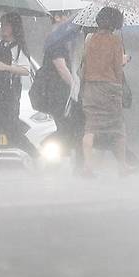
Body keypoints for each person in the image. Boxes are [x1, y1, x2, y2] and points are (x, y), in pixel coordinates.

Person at [0, 12, 38, 169]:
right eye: (1, 25)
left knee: (12, 133)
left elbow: (26, 70)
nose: (3, 28)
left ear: (14, 27)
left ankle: (37, 156)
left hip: (9, 96)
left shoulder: (19, 48)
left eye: (6, 25)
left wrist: (7, 67)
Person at [81, 7, 130, 177]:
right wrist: (124, 62)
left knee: (90, 127)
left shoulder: (89, 39)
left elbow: (85, 63)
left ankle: (87, 165)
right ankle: (122, 166)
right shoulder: (116, 41)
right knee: (118, 128)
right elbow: (117, 67)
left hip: (91, 87)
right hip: (110, 88)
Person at [44, 11, 82, 167]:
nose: (68, 19)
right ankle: (45, 149)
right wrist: (74, 85)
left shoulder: (62, 39)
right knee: (67, 128)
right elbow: (60, 67)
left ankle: (62, 159)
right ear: (57, 18)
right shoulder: (55, 40)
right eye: (65, 15)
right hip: (58, 93)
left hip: (58, 92)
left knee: (68, 128)